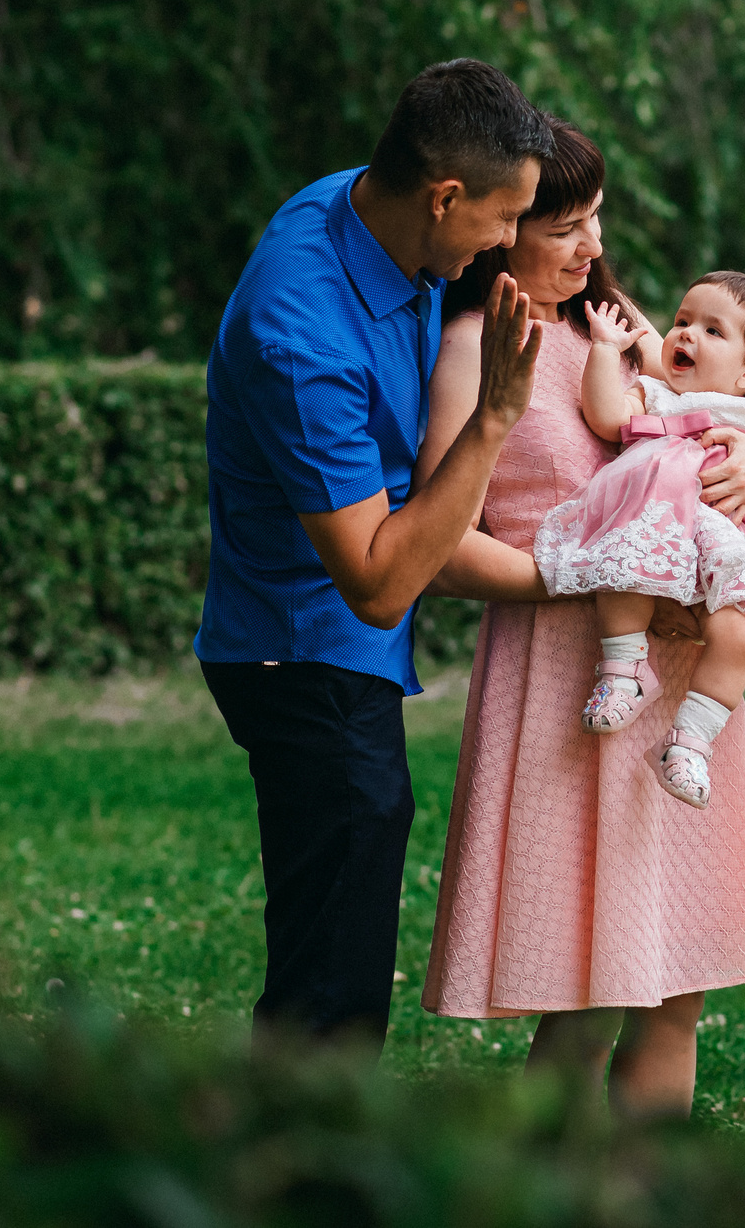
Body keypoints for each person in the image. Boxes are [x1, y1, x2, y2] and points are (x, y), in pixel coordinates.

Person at [419, 122, 745, 1117]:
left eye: (595, 218)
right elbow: (438, 538)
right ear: (501, 229)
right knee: (587, 997)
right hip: (567, 672)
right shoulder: (474, 347)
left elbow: (719, 409)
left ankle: (654, 1192)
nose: (590, 246)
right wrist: (583, 572)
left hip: (676, 672)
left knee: (674, 988)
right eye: (562, 226)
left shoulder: (620, 323)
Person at [193, 58, 554, 1047]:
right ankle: (308, 1162)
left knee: (336, 928)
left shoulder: (366, 209)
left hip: (327, 646)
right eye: (501, 219)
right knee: (331, 969)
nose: (508, 243)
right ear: (444, 196)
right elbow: (381, 582)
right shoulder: (298, 332)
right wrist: (493, 421)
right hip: (303, 650)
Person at [536, 277, 745, 808]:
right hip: (659, 519)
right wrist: (607, 353)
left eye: (711, 330)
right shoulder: (655, 393)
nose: (685, 335)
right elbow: (607, 418)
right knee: (629, 563)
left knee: (743, 622)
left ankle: (690, 740)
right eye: (681, 321)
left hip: (729, 537)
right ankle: (623, 669)